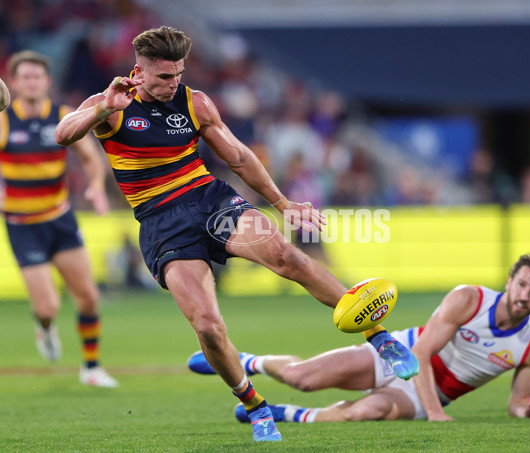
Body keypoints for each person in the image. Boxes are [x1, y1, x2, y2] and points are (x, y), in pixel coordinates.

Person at [54, 26, 417, 442]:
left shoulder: (196, 103)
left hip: (209, 201)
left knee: (287, 256)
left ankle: (379, 336)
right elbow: (63, 134)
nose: (174, 84)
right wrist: (103, 108)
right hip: (161, 221)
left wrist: (284, 205)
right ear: (140, 70)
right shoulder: (112, 104)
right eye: (164, 77)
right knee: (208, 325)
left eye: (178, 74)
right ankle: (254, 405)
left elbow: (240, 158)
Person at [189, 253, 530, 423]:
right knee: (301, 378)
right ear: (510, 280)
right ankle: (249, 362)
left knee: (366, 413)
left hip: (429, 392)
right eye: (522, 283)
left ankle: (288, 415)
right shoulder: (471, 298)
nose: (525, 294)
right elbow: (423, 351)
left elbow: (518, 401)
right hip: (399, 354)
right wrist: (435, 414)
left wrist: (529, 409)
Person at [0, 51, 117, 387]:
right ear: (15, 83)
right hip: (23, 225)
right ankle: (45, 327)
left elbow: (91, 156)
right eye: (25, 77)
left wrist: (95, 186)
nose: (32, 82)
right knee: (49, 308)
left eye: (38, 76)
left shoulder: (65, 115)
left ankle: (92, 368)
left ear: (47, 82)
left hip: (60, 218)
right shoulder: (5, 120)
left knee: (89, 297)